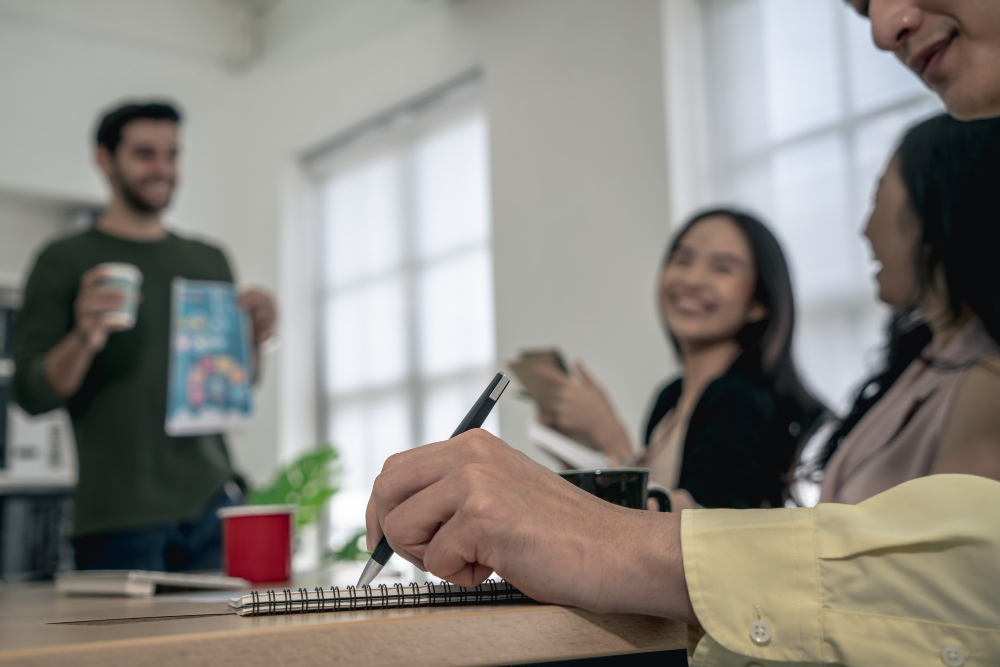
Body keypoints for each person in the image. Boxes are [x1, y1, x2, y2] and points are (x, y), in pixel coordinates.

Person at [363, 3, 1000, 665]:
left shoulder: (751, 400)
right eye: (683, 258)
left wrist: (592, 501)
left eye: (722, 267)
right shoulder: (683, 393)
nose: (881, 27)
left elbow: (925, 564)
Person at [12, 101, 276, 571]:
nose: (163, 168)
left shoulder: (208, 260)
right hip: (116, 522)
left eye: (172, 154)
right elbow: (31, 394)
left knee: (226, 647)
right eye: (145, 153)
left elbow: (235, 383)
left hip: (214, 507)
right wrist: (84, 335)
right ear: (105, 159)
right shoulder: (63, 260)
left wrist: (255, 339)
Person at [534, 210, 823, 510]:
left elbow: (701, 529)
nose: (692, 280)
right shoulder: (670, 396)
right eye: (683, 260)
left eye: (721, 268)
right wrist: (584, 441)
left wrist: (609, 434)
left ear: (759, 303)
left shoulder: (738, 398)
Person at [803, 114, 1000, 504]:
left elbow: (946, 560)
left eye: (878, 198)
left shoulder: (987, 380)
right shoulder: (923, 359)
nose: (866, 229)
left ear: (938, 206)